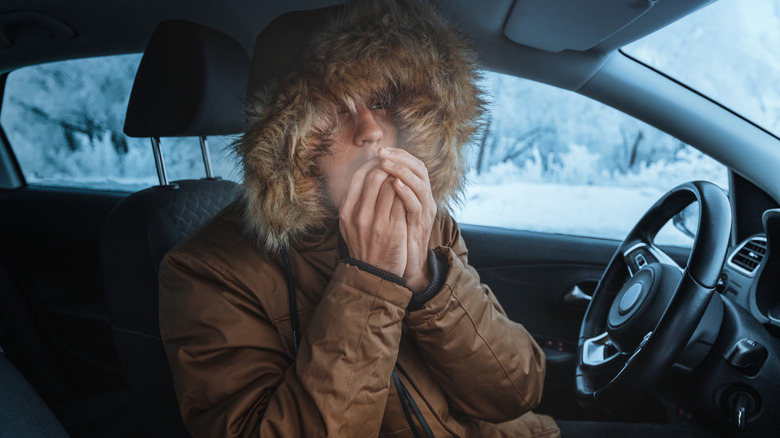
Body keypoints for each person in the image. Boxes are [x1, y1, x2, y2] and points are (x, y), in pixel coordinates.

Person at [158, 0, 561, 436]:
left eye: (384, 101)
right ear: (287, 140)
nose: (370, 129)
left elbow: (517, 392)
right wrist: (370, 280)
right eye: (334, 108)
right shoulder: (204, 273)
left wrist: (429, 280)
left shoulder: (426, 220)